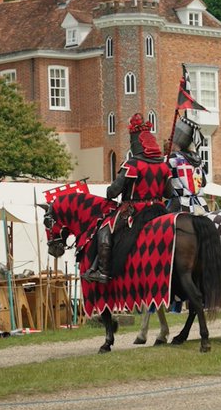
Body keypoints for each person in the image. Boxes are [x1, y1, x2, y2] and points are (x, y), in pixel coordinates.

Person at [83, 114, 173, 284]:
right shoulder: (163, 165)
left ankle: (103, 272)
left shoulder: (133, 164)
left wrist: (110, 190)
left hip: (135, 210)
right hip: (160, 210)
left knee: (105, 230)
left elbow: (114, 191)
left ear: (137, 143)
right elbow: (169, 193)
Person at [166, 115, 208, 214]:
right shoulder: (199, 160)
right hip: (201, 204)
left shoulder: (172, 158)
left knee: (159, 226)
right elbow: (204, 183)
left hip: (179, 204)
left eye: (172, 141)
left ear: (176, 143)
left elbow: (164, 181)